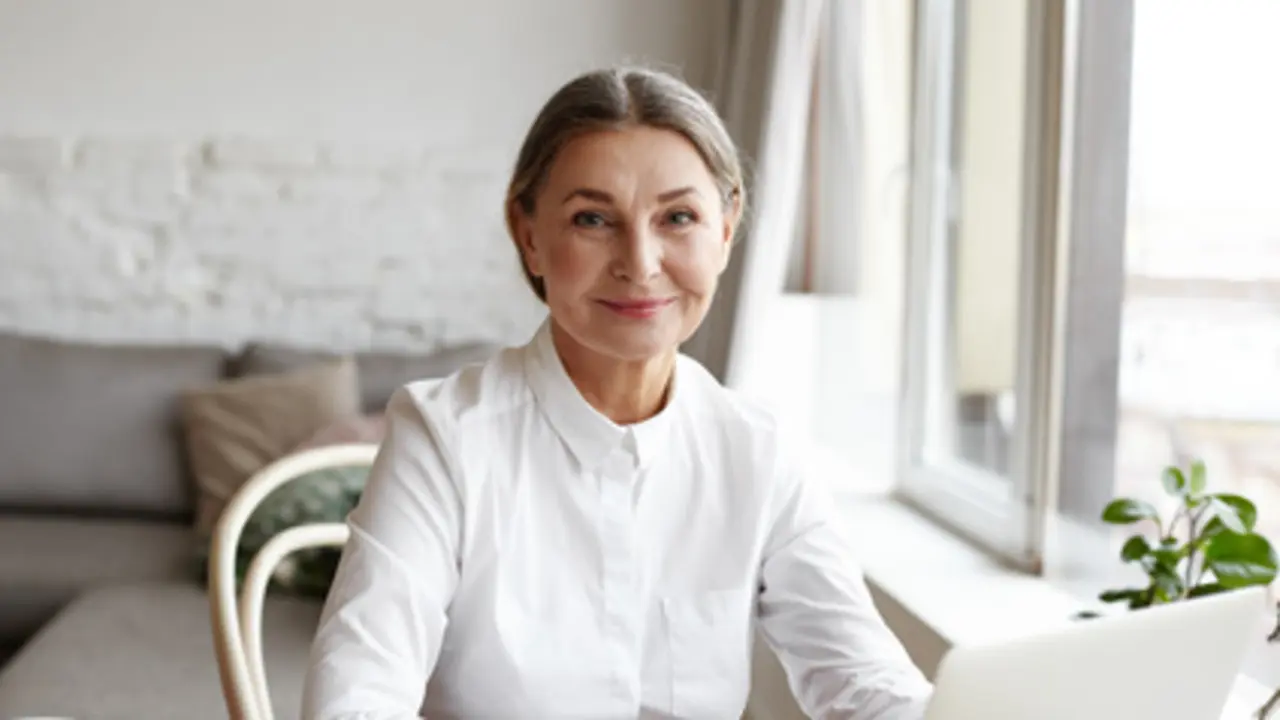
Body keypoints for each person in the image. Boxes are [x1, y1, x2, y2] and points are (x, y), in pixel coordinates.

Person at [302, 66, 932, 720]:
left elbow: (866, 683)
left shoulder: (758, 452)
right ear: (529, 236)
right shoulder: (444, 439)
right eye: (593, 219)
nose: (640, 262)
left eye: (678, 217)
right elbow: (355, 699)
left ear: (725, 229)